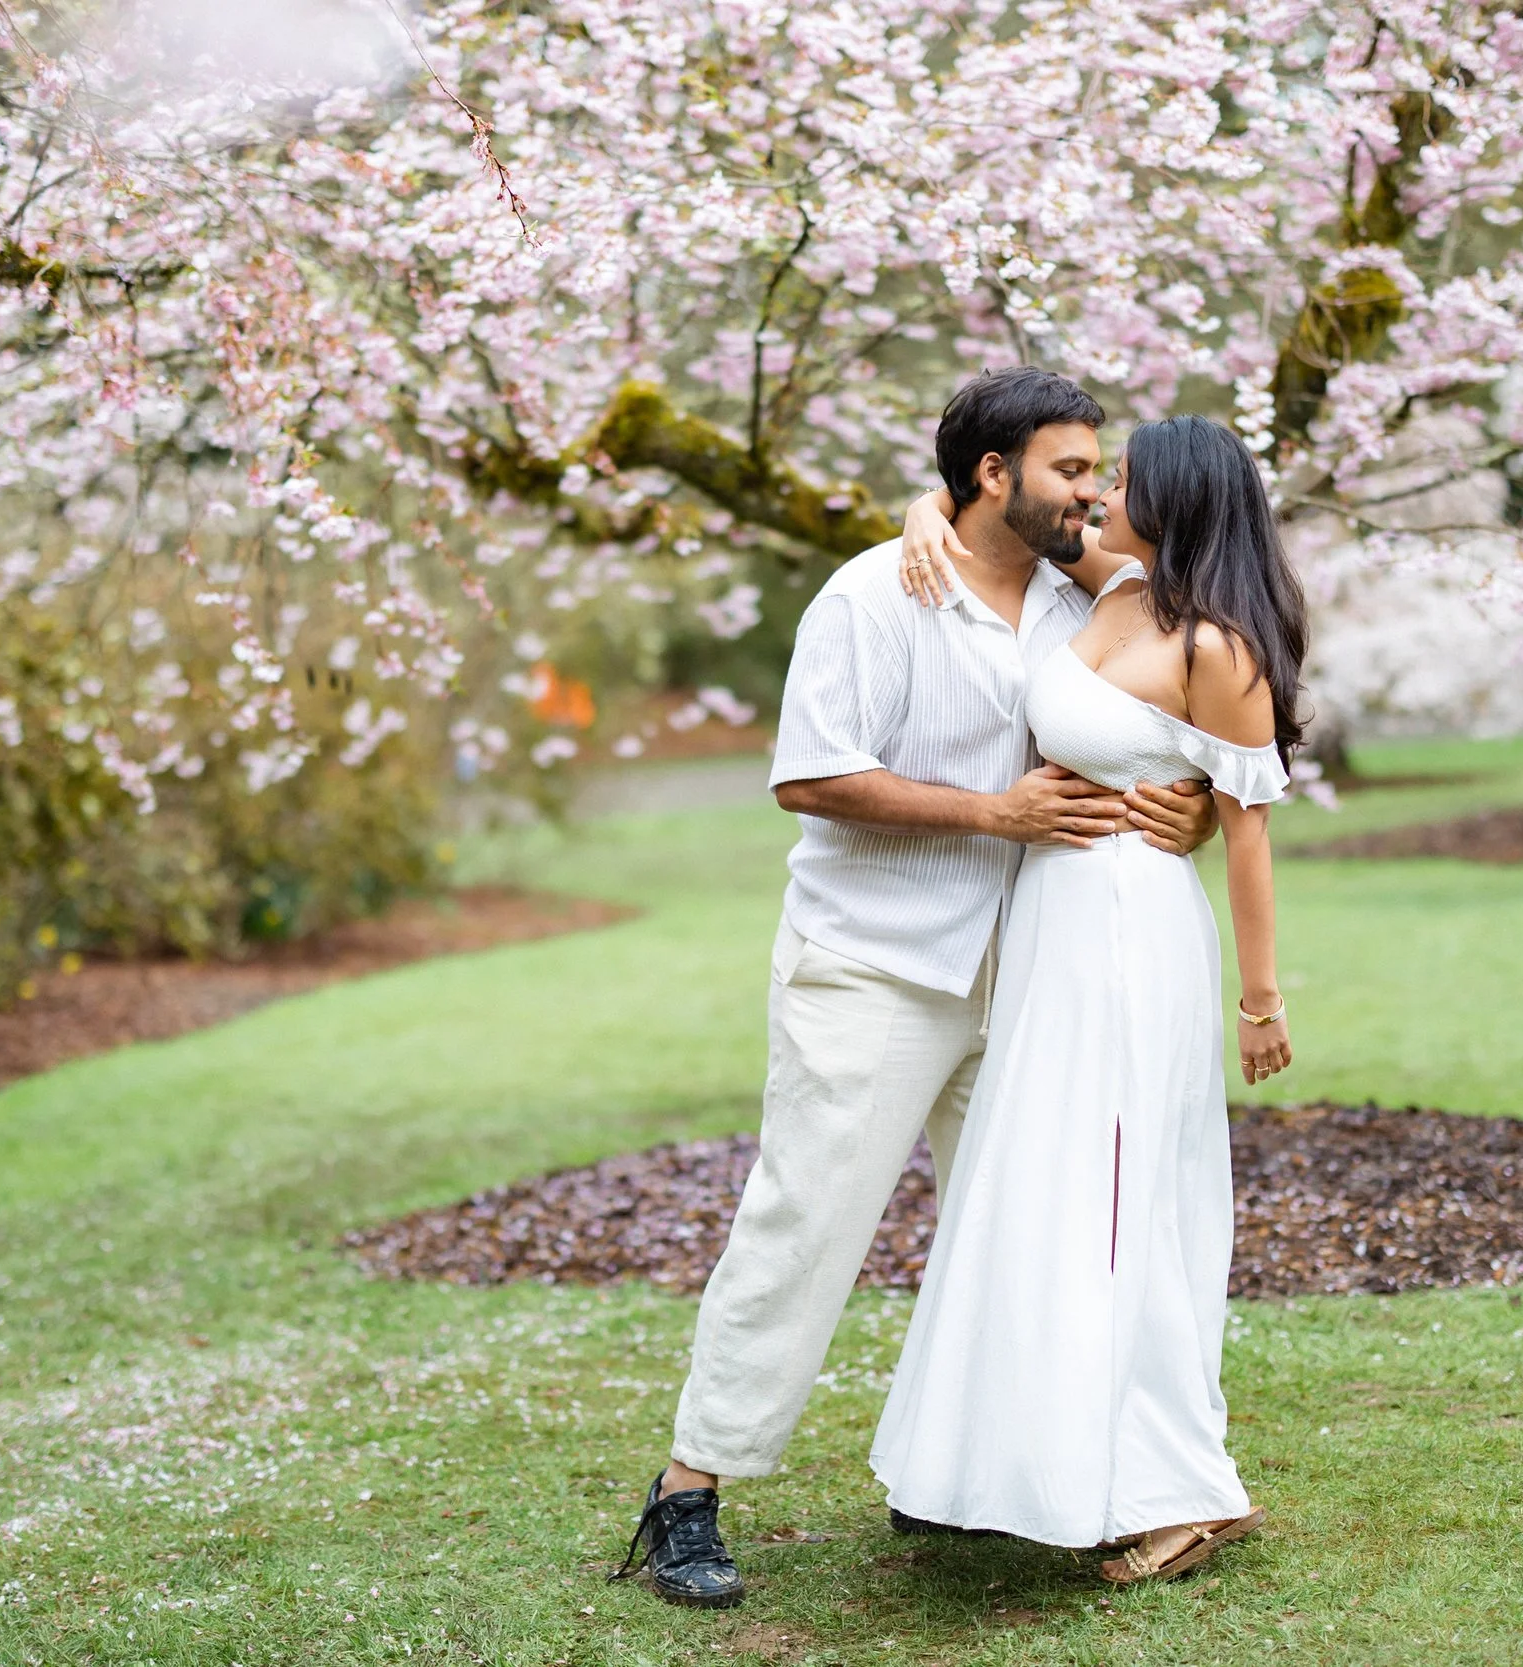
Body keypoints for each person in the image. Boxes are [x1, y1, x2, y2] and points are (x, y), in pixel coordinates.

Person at [612, 369, 1220, 1609]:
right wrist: (994, 811)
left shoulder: (1085, 593)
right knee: (804, 1224)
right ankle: (686, 1492)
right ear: (990, 476)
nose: (1093, 490)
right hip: (876, 968)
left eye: (1098, 468)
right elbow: (810, 775)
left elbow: (1201, 691)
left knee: (1026, 1225)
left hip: (1033, 974)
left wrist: (1196, 803)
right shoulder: (872, 593)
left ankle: (967, 1474)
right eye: (1066, 468)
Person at [868, 411, 1304, 1583]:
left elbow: (1252, 834)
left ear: (1174, 498)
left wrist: (1261, 1004)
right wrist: (923, 507)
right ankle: (1035, 1463)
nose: (1099, 493)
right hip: (1048, 928)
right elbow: (984, 524)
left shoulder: (1221, 646)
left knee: (1123, 1192)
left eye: (1121, 479)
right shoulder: (1109, 591)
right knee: (1045, 1180)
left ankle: (1181, 1486)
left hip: (1133, 932)